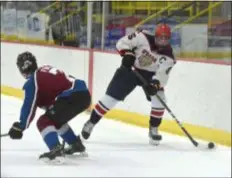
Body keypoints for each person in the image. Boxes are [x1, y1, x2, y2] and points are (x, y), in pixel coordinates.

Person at [81, 23, 176, 145]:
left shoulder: (169, 56)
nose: (162, 41)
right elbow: (122, 42)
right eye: (160, 38)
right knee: (110, 99)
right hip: (131, 69)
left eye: (165, 38)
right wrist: (127, 54)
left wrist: (155, 84)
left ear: (169, 39)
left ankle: (153, 129)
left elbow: (162, 74)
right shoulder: (142, 36)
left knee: (160, 99)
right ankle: (91, 122)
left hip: (150, 76)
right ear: (155, 36)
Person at [7, 51, 91, 163]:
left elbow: (29, 105)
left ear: (22, 69)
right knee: (54, 120)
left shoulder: (33, 80)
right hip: (83, 94)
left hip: (72, 96)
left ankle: (55, 149)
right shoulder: (44, 70)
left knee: (43, 122)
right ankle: (75, 144)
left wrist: (21, 126)